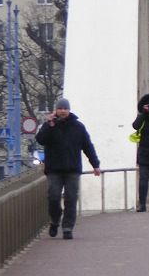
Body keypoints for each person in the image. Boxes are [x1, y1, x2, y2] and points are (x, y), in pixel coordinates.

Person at [36, 98, 101, 240]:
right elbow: (40, 140)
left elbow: (87, 146)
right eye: (60, 108)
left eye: (65, 109)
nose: (63, 111)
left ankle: (67, 227)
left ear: (69, 110)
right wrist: (49, 124)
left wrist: (95, 164)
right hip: (54, 169)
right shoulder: (50, 126)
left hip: (72, 169)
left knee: (71, 198)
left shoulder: (78, 127)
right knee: (53, 197)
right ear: (56, 110)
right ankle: (54, 220)